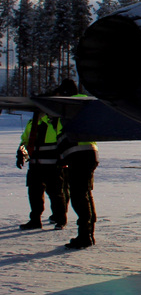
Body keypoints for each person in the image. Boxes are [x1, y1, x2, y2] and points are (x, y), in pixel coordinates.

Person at [54, 79, 100, 249]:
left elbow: (65, 135)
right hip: (89, 155)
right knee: (85, 194)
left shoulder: (69, 106)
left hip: (78, 156)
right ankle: (88, 233)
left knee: (79, 196)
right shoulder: (84, 104)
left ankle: (85, 236)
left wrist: (59, 153)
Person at [17, 110, 67, 230]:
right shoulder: (31, 123)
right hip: (35, 165)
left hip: (53, 166)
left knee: (56, 193)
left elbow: (63, 140)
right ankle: (35, 220)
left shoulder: (54, 122)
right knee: (34, 193)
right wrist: (20, 152)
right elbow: (25, 140)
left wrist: (63, 158)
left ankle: (60, 219)